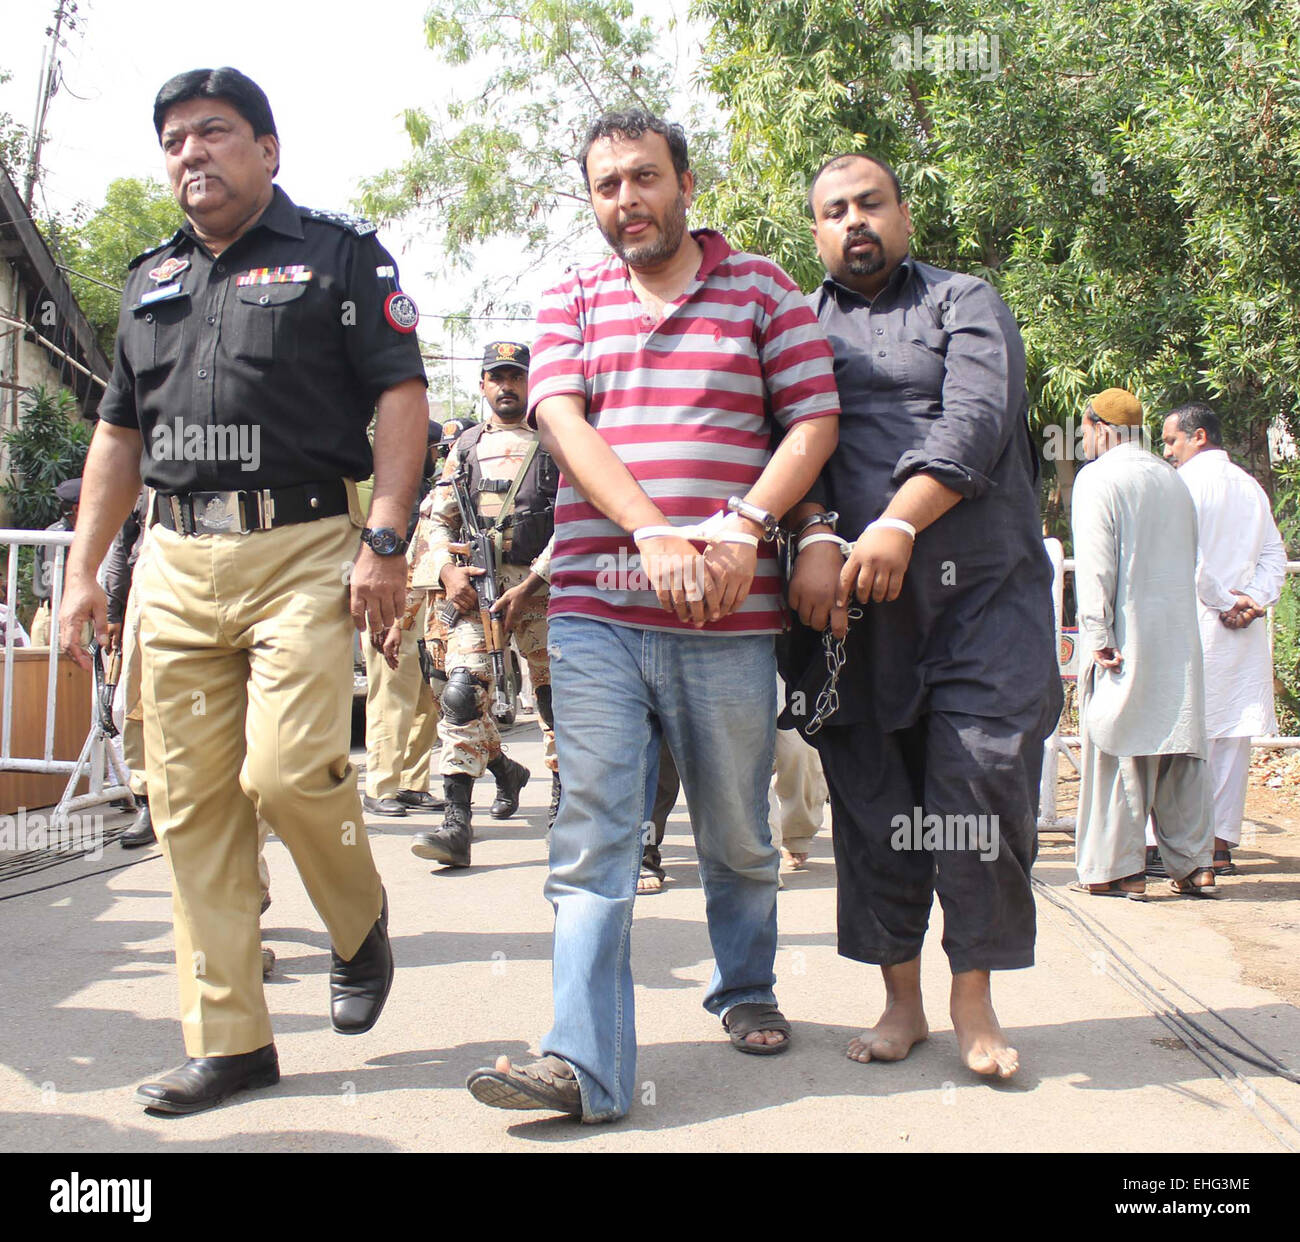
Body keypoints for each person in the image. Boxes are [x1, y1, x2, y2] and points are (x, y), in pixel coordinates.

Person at [59, 66, 428, 1115]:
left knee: (287, 774)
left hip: (305, 545)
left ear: (268, 149)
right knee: (191, 808)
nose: (191, 153)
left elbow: (402, 393)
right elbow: (117, 436)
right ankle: (230, 1040)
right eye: (173, 139)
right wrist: (86, 571)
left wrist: (388, 539)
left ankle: (355, 923)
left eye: (213, 132)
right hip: (174, 561)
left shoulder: (339, 257)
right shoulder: (150, 281)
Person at [466, 109, 840, 1122]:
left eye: (641, 178)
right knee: (593, 831)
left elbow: (813, 419)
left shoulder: (760, 288)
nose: (624, 200)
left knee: (734, 831)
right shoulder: (572, 298)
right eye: (604, 186)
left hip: (731, 612)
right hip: (595, 607)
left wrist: (745, 526)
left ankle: (747, 984)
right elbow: (560, 419)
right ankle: (582, 1065)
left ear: (684, 183)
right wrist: (650, 532)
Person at [788, 152, 1061, 1080]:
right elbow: (784, 442)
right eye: (835, 210)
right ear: (816, 231)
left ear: (903, 215)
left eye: (871, 203)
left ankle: (973, 997)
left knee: (979, 786)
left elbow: (977, 418)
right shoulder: (795, 324)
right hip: (856, 618)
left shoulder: (965, 301)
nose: (855, 220)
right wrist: (819, 529)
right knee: (875, 805)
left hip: (982, 598)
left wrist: (898, 520)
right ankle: (900, 999)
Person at [405, 341, 556, 867]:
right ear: (483, 384)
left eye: (516, 376)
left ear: (529, 382)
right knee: (462, 695)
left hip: (540, 589)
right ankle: (456, 822)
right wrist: (447, 573)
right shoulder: (464, 447)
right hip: (476, 591)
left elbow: (578, 520)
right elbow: (436, 520)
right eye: (498, 377)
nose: (507, 386)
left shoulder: (555, 440)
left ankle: (564, 805)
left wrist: (533, 582)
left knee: (556, 699)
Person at [1070, 389, 1216, 899]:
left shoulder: (1098, 478)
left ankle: (1120, 869)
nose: (1083, 440)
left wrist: (1097, 635)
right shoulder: (1171, 479)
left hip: (1127, 639)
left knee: (1119, 748)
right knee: (1178, 749)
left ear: (1101, 428)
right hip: (1178, 638)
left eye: (1084, 429)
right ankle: (1197, 865)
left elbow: (1095, 567)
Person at [1161, 401, 1287, 875]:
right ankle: (1216, 846)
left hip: (1197, 622)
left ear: (1199, 437)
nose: (1168, 451)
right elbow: (1275, 555)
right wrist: (1252, 600)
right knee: (1231, 739)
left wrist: (1223, 601)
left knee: (1185, 737)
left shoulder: (1184, 486)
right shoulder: (1250, 486)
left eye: (1173, 440)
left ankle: (1176, 847)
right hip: (1241, 629)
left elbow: (1186, 557)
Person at [30, 477, 81, 645]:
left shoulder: (58, 532)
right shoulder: (61, 537)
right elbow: (56, 585)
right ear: (76, 508)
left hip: (62, 615)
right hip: (57, 616)